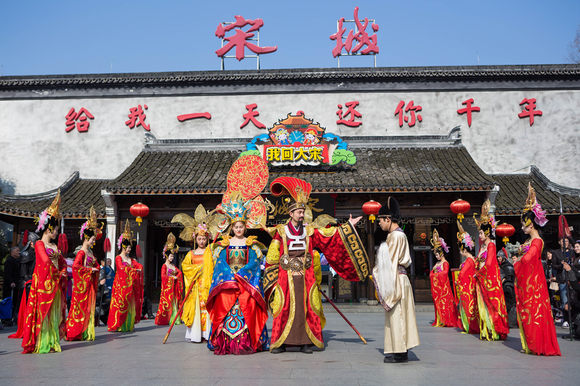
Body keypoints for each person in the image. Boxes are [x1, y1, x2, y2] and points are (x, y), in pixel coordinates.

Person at [264, 177, 369, 354]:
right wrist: (272, 277)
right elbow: (272, 257)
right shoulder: (280, 232)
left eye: (303, 211)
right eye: (299, 211)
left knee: (306, 307)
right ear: (291, 213)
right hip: (285, 276)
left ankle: (306, 341)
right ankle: (280, 342)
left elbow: (330, 235)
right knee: (284, 307)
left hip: (306, 276)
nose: (302, 214)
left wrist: (348, 226)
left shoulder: (310, 231)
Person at [207, 192, 269, 355]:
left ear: (245, 227)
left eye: (241, 226)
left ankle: (246, 342)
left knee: (245, 309)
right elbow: (220, 263)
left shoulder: (252, 244)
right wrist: (229, 275)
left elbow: (255, 262)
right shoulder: (224, 244)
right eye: (236, 227)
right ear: (231, 227)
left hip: (245, 283)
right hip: (228, 284)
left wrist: (242, 274)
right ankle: (226, 343)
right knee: (226, 311)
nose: (239, 229)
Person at [9, 191, 68, 354]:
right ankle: (43, 342)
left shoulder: (55, 247)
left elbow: (62, 262)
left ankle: (52, 341)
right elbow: (45, 261)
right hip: (43, 284)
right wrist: (58, 273)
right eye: (55, 229)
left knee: (53, 315)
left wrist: (62, 271)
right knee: (44, 313)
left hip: (54, 283)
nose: (56, 232)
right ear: (48, 228)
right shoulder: (40, 245)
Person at [513, 183, 561, 356]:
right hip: (531, 282)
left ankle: (538, 343)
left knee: (534, 311)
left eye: (523, 224)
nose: (522, 227)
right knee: (530, 311)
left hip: (534, 283)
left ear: (531, 224)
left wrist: (517, 263)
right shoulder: (529, 242)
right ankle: (532, 342)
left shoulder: (537, 242)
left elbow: (527, 259)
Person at [373, 197, 419, 363]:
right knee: (397, 315)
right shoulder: (395, 235)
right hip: (398, 277)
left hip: (396, 279)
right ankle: (398, 349)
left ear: (388, 218)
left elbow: (390, 262)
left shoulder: (396, 237)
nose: (379, 223)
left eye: (380, 220)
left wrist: (375, 271)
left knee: (398, 315)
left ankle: (400, 352)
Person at [464, 199, 509, 341]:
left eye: (482, 233)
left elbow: (489, 263)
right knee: (482, 305)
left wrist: (479, 273)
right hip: (481, 279)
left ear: (488, 233)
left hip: (488, 279)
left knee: (491, 304)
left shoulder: (491, 246)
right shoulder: (482, 247)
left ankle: (494, 330)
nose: (480, 235)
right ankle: (486, 330)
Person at [172, 206, 214, 343]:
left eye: (203, 239)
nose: (201, 241)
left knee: (206, 308)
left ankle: (207, 333)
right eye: (199, 239)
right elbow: (185, 267)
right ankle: (195, 334)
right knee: (195, 309)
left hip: (206, 285)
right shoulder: (191, 254)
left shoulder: (210, 253)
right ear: (195, 239)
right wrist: (197, 270)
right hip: (195, 285)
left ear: (207, 239)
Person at [65, 206, 101, 341]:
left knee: (88, 309)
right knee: (79, 308)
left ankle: (85, 331)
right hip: (82, 286)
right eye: (92, 239)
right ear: (86, 238)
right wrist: (90, 270)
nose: (93, 241)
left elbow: (96, 264)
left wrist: (96, 268)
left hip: (89, 285)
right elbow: (75, 267)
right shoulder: (81, 252)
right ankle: (75, 331)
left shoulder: (90, 253)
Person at [107, 220, 144, 332]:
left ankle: (127, 325)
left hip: (129, 286)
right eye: (128, 247)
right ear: (123, 246)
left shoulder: (130, 259)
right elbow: (121, 268)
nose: (129, 249)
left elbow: (140, 266)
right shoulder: (119, 258)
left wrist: (137, 269)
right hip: (120, 286)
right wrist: (133, 270)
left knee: (129, 305)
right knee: (120, 304)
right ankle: (118, 324)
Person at [429, 229, 457, 327]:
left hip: (444, 288)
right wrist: (432, 274)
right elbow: (431, 272)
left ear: (442, 253)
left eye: (437, 254)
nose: (436, 257)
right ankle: (440, 319)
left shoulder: (445, 263)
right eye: (435, 255)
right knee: (438, 304)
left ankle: (446, 320)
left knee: (445, 304)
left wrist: (434, 275)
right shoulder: (437, 263)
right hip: (437, 288)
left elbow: (445, 273)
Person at [455, 221, 479, 334]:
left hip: (468, 288)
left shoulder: (469, 261)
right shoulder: (470, 260)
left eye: (460, 250)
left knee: (468, 305)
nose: (460, 252)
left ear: (465, 249)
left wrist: (458, 281)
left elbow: (463, 274)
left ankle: (469, 325)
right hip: (468, 287)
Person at [155, 233, 183, 326]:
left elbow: (179, 272)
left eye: (173, 256)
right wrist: (172, 278)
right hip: (167, 288)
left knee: (174, 303)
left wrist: (178, 276)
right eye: (171, 256)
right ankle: (166, 318)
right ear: (166, 255)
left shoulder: (173, 266)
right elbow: (163, 276)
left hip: (173, 287)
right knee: (168, 303)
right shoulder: (165, 265)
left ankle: (174, 319)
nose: (172, 257)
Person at [497, 247, 517, 327]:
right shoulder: (499, 265)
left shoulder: (508, 266)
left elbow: (510, 280)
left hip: (508, 289)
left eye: (499, 257)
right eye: (498, 257)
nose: (498, 258)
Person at [2, 246, 20, 325]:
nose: (19, 252)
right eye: (17, 251)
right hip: (9, 286)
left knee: (14, 301)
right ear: (12, 252)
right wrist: (11, 282)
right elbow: (8, 273)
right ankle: (6, 318)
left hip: (15, 284)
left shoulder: (16, 261)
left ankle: (11, 317)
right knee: (8, 301)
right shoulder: (9, 261)